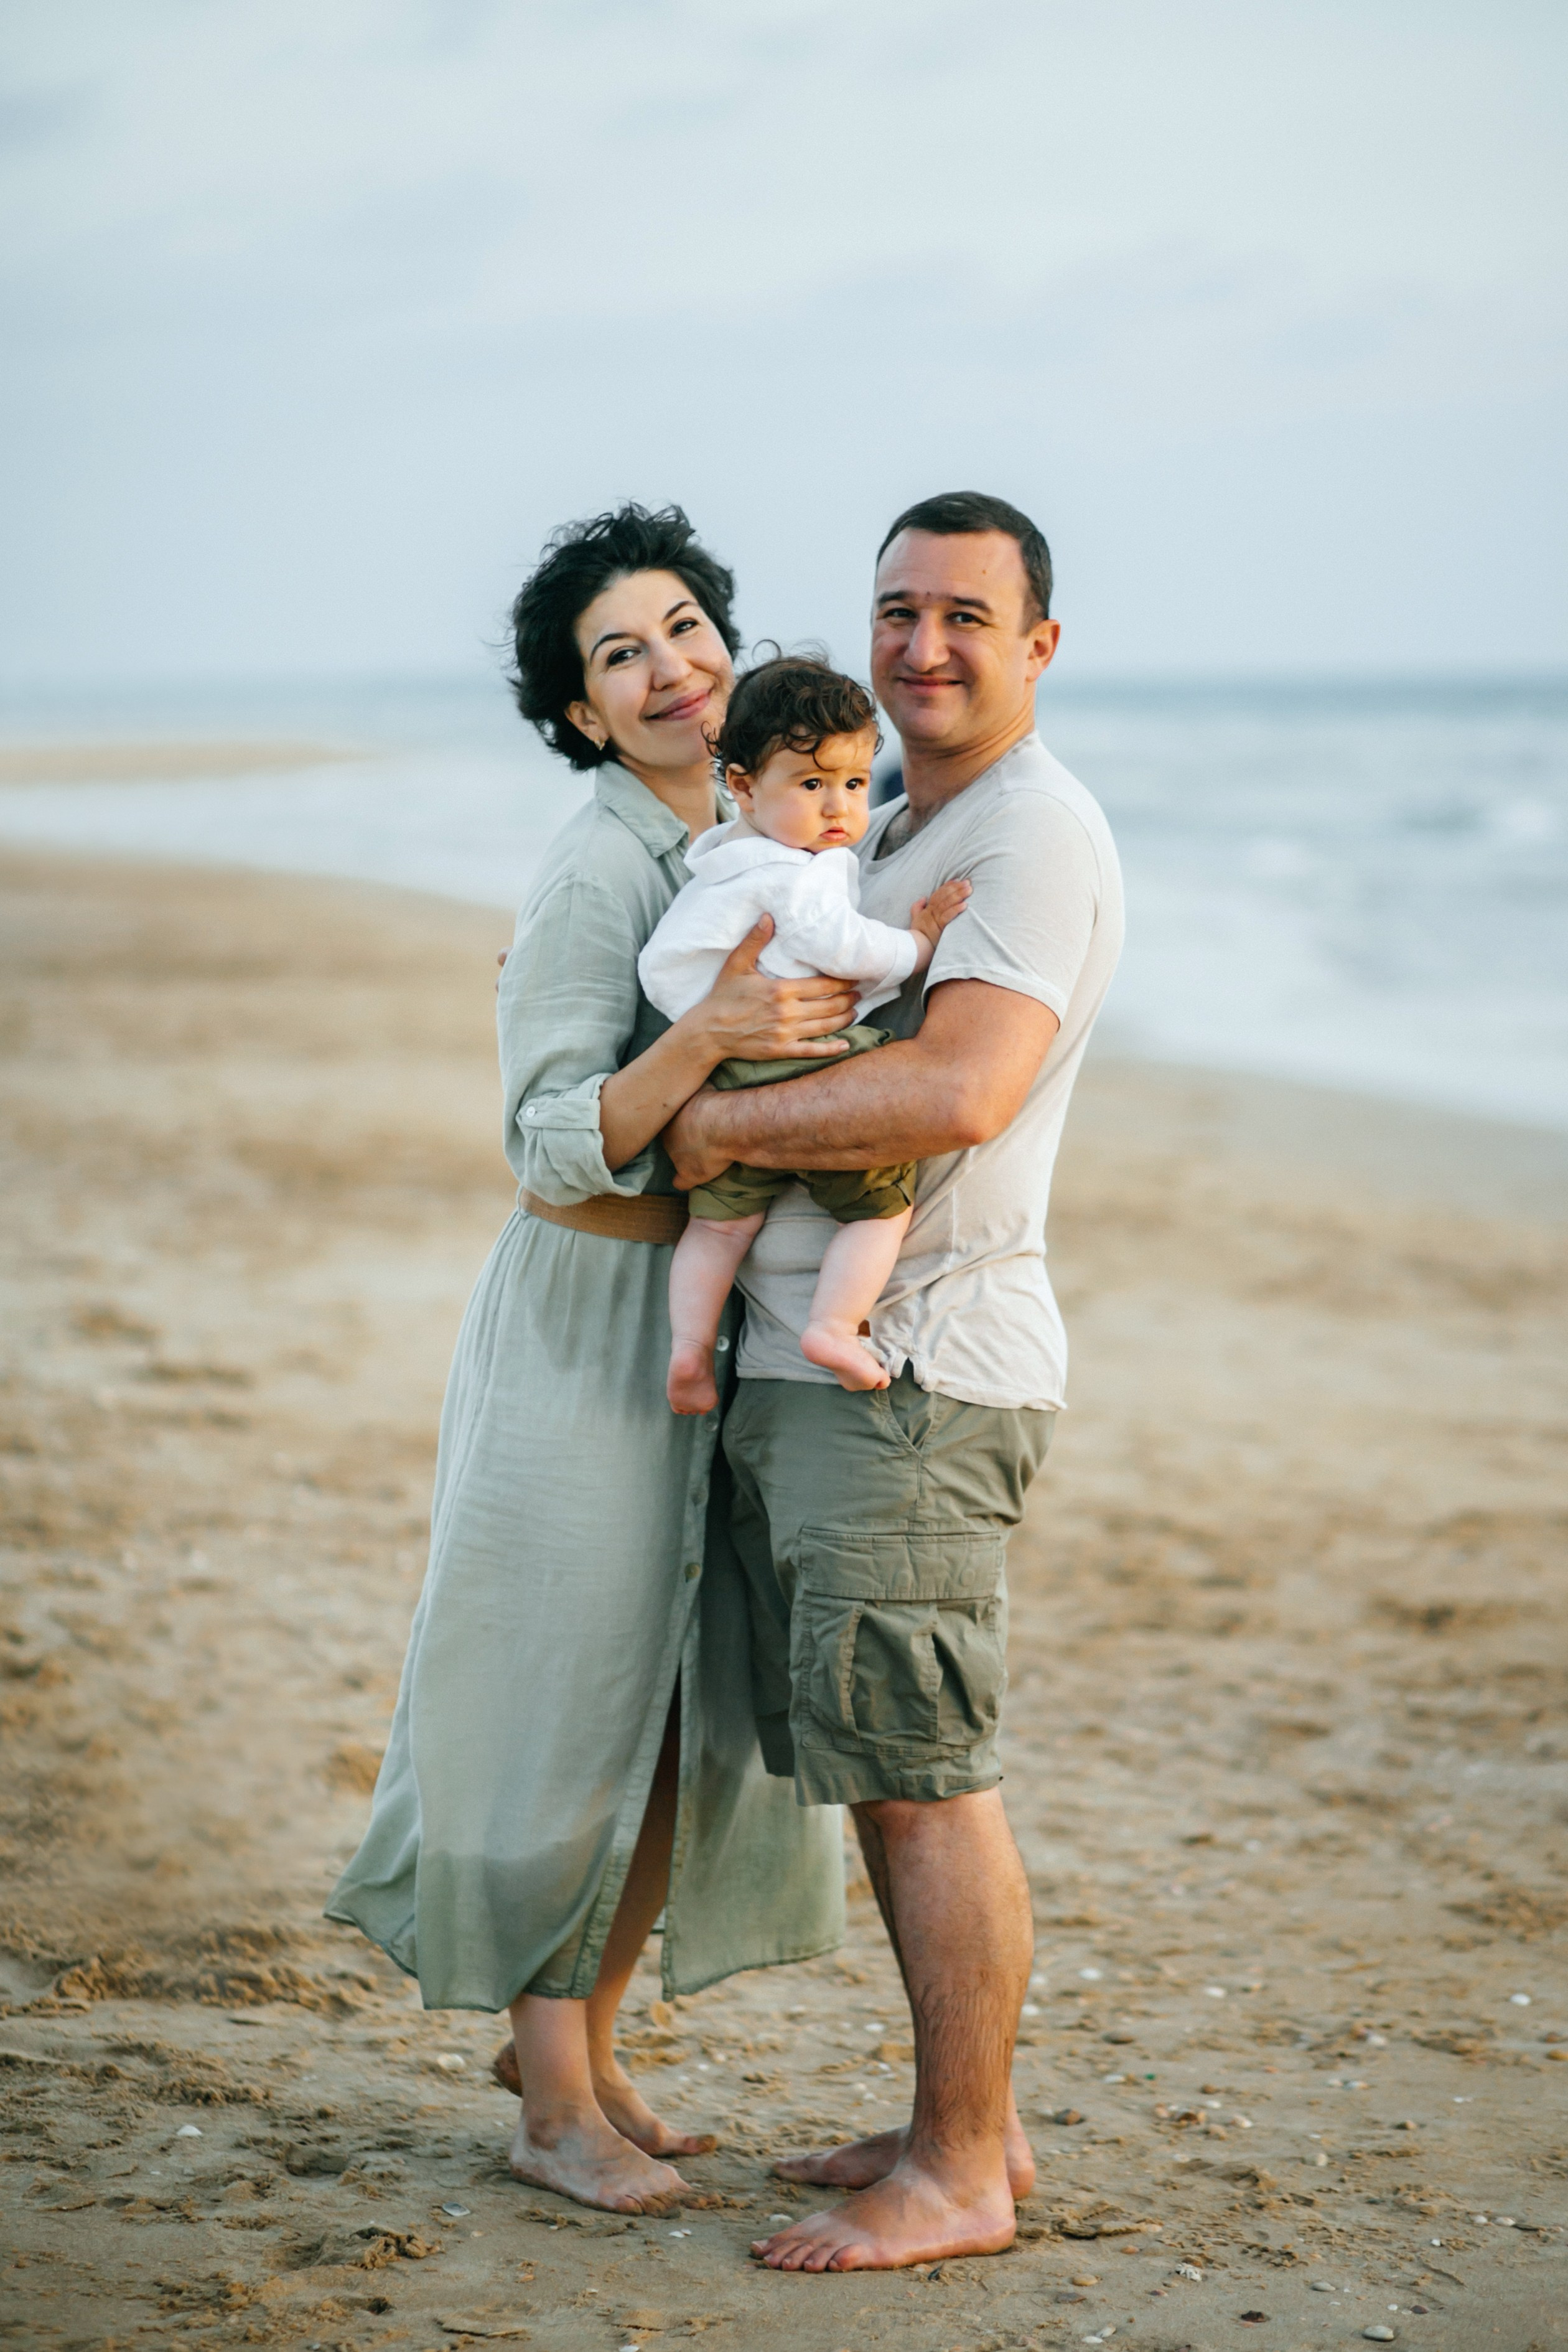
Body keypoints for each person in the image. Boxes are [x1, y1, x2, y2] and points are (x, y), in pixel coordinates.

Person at [327, 504, 851, 2218]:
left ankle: (587, 2048)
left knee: (677, 1708)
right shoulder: (598, 861)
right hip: (584, 1319)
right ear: (578, 713)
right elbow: (550, 1134)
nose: (672, 666)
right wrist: (704, 1035)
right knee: (567, 1704)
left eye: (687, 626)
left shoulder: (747, 831)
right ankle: (550, 2107)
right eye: (620, 654)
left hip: (701, 1323)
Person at [662, 490, 1126, 2272]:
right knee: (882, 1749)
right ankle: (968, 2113)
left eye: (965, 617)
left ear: (1040, 648)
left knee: (928, 1767)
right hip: (837, 1355)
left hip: (921, 1363)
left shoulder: (1032, 835)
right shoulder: (905, 813)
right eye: (896, 610)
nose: (923, 646)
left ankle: (958, 2172)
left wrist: (706, 1117)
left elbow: (956, 1094)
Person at [637, 654, 970, 1413]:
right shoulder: (799, 872)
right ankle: (832, 1324)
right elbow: (849, 952)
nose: (838, 809)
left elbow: (663, 970)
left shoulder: (721, 869)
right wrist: (915, 946)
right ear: (745, 785)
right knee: (883, 1206)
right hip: (810, 1063)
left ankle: (688, 1352)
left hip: (732, 1069)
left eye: (854, 784)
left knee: (720, 1229)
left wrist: (712, 1023)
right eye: (812, 784)